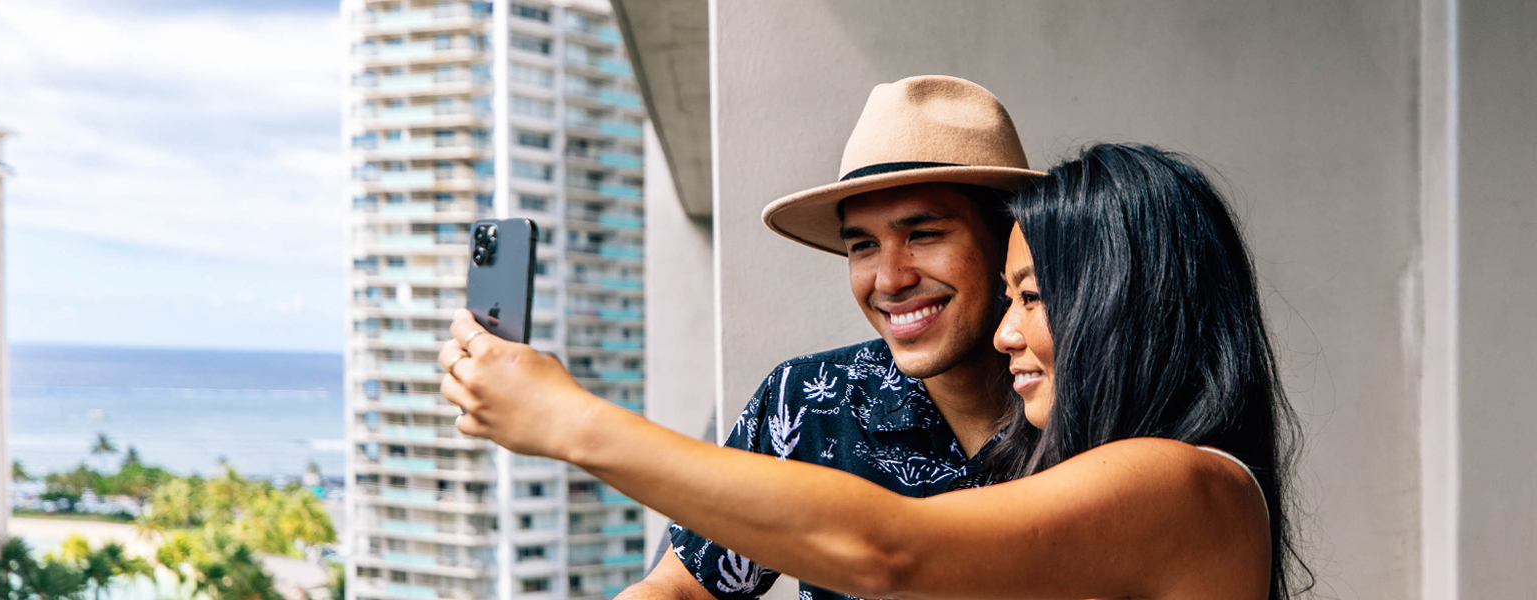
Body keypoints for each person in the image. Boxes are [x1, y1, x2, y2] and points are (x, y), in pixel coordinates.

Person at [438, 143, 1307, 599]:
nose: (1010, 334)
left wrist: (570, 422)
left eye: (1034, 298)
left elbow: (883, 548)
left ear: (1119, 305)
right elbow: (694, 584)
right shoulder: (1067, 460)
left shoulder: (1182, 486)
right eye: (862, 244)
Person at [625, 75, 1041, 599]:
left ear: (1010, 239)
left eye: (924, 234)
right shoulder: (809, 398)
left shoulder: (1102, 402)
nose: (889, 280)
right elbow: (681, 588)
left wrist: (570, 423)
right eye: (863, 245)